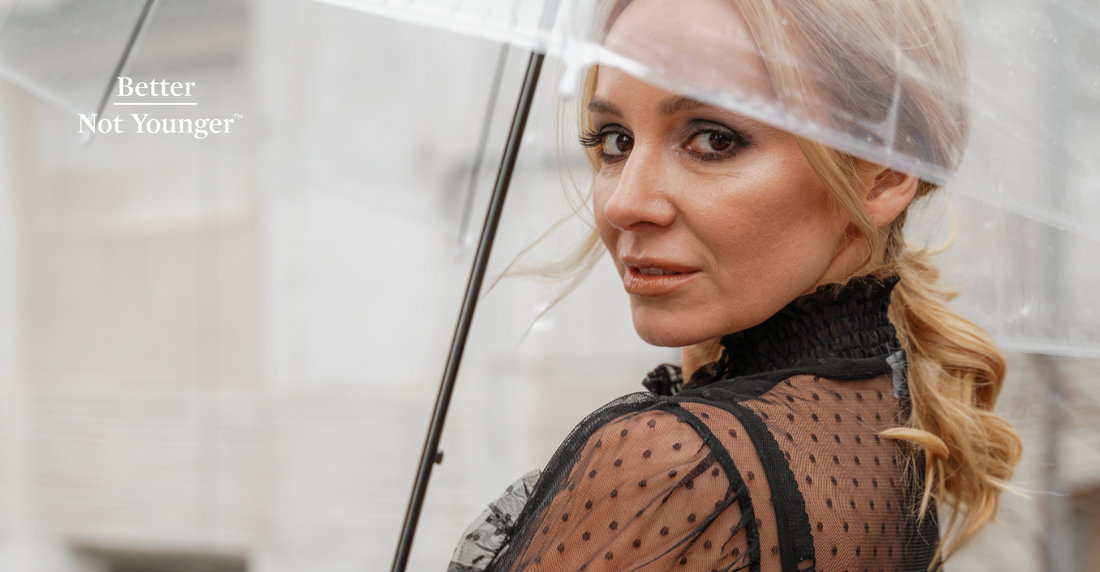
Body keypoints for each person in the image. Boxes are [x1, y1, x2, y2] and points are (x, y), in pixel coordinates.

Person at [448, 0, 1022, 570]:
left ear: (884, 172)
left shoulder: (679, 467)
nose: (624, 203)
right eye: (615, 140)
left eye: (713, 140)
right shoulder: (884, 422)